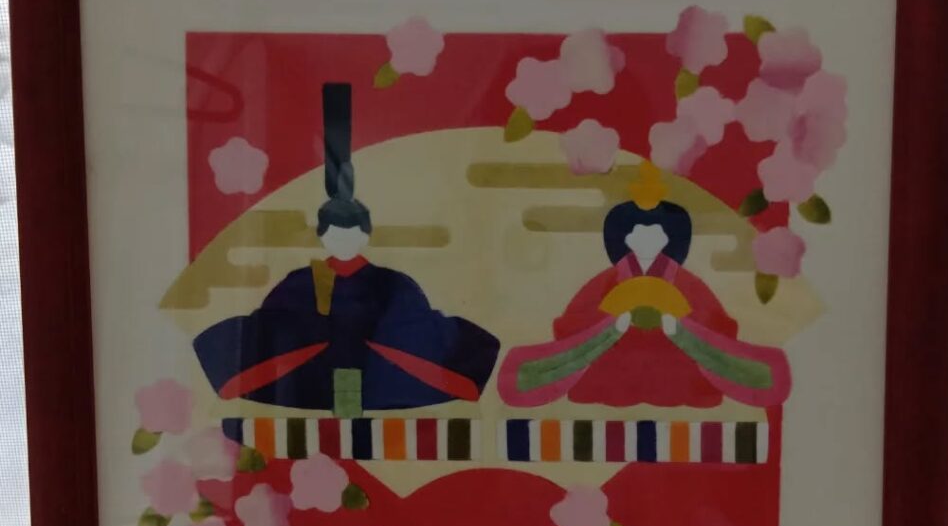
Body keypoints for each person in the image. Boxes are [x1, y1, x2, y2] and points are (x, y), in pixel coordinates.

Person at [193, 83, 499, 416]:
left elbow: (418, 331)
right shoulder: (301, 283)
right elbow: (269, 332)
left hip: (382, 385)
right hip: (311, 387)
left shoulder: (391, 283)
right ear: (322, 236)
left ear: (365, 235)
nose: (343, 241)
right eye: (335, 234)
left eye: (351, 233)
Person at [497, 160, 790, 409]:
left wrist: (680, 328)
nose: (646, 239)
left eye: (656, 232)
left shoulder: (687, 285)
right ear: (623, 236)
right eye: (637, 231)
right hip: (614, 369)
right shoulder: (606, 282)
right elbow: (573, 327)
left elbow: (717, 327)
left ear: (670, 237)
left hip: (675, 370)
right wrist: (613, 326)